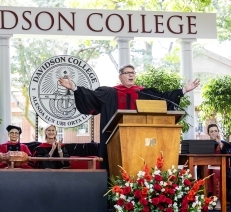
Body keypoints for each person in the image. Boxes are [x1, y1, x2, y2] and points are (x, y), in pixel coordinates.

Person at [58, 64, 200, 169]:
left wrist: (183, 90)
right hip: (114, 140)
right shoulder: (109, 93)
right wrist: (74, 88)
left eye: (133, 72)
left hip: (142, 139)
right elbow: (90, 97)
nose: (131, 75)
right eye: (127, 73)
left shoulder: (144, 93)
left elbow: (164, 99)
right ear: (120, 77)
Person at [206, 123, 231, 210]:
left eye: (216, 131)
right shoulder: (205, 144)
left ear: (218, 132)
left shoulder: (224, 144)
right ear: (208, 133)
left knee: (216, 172)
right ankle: (208, 200)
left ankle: (219, 200)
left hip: (221, 169)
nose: (214, 133)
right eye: (211, 131)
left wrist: (219, 143)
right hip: (207, 168)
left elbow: (227, 155)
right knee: (206, 172)